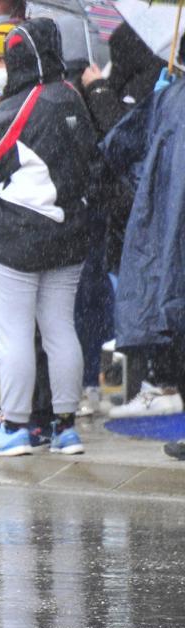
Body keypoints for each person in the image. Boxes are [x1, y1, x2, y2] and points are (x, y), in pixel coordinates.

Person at [0, 18, 99, 459]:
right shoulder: (72, 97)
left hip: (17, 237)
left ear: (20, 59)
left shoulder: (21, 105)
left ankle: (17, 425)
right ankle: (65, 427)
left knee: (15, 335)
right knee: (61, 329)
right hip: (70, 233)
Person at [101, 36, 185, 442]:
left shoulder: (169, 101)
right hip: (169, 230)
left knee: (167, 318)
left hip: (168, 231)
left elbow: (120, 148)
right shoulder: (168, 100)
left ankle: (156, 386)